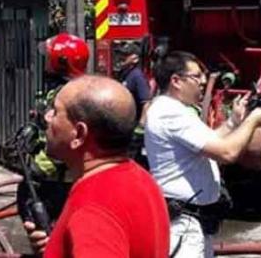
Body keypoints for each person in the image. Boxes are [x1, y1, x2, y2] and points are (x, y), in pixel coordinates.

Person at [145, 51, 261, 258]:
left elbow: (213, 141)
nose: (203, 81)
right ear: (176, 81)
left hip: (194, 219)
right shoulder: (170, 113)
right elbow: (227, 152)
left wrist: (234, 121)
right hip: (184, 222)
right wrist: (254, 121)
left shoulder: (177, 110)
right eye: (196, 76)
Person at [24, 75, 170, 258]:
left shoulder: (92, 208)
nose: (47, 117)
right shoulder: (142, 179)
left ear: (79, 134)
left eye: (55, 111)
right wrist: (59, 245)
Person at [16, 33, 89, 226]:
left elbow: (66, 139)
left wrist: (37, 169)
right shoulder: (64, 89)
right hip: (55, 178)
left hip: (56, 181)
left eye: (50, 57)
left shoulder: (67, 95)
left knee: (46, 228)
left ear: (61, 61)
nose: (46, 61)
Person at [113, 42, 152, 166]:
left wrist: (140, 129)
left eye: (125, 56)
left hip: (134, 129)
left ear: (135, 58)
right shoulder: (124, 74)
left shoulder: (137, 77)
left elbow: (146, 102)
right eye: (120, 55)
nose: (120, 58)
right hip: (125, 126)